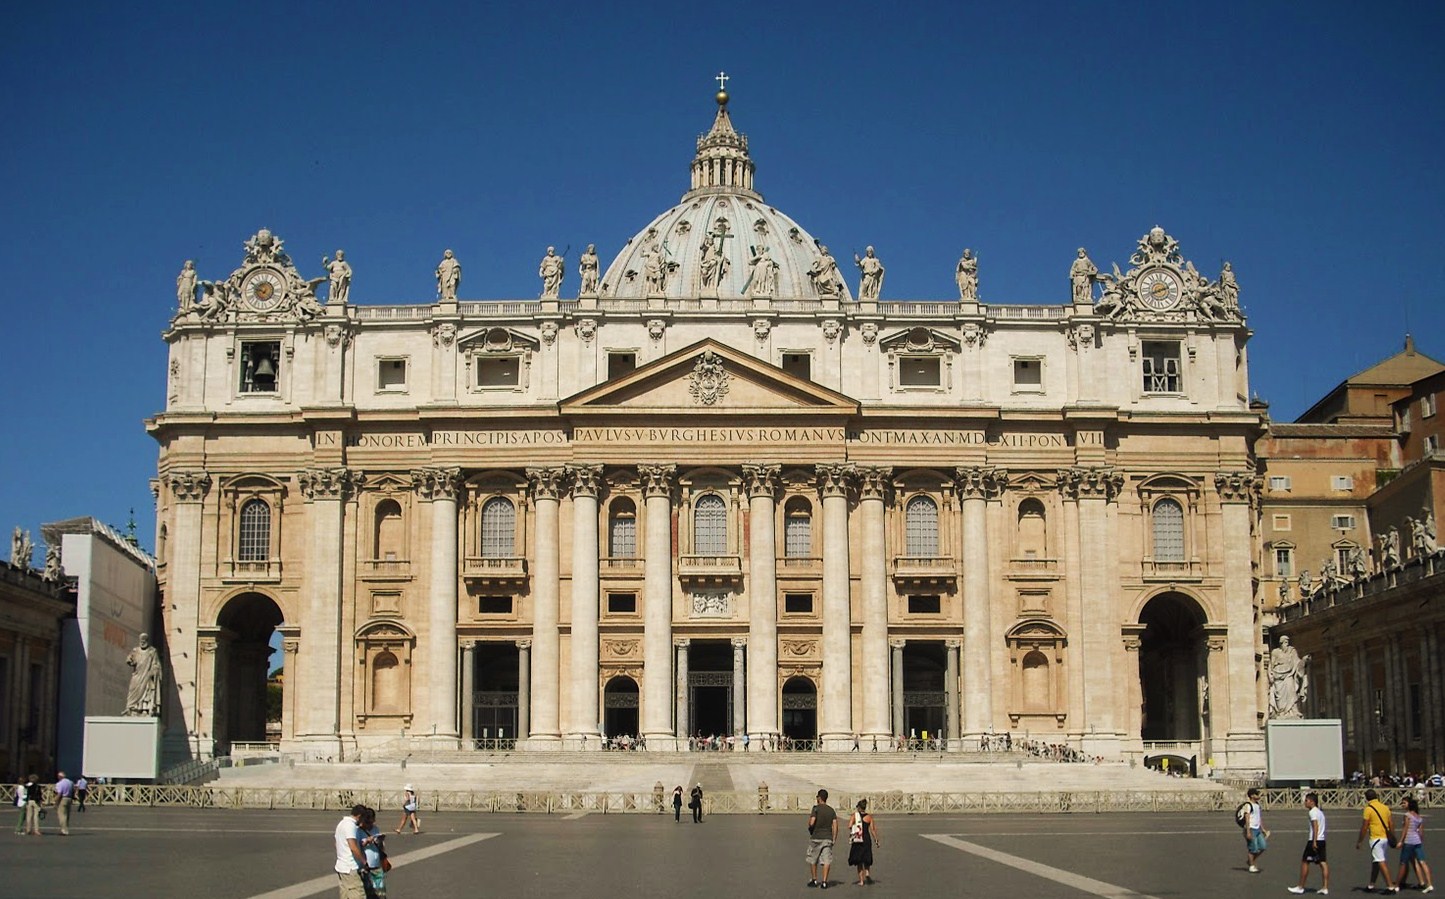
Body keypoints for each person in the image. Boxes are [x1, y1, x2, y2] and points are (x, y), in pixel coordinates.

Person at [1356, 788, 1399, 893]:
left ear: (1367, 798)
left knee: (1380, 861)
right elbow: (1391, 823)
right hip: (1385, 837)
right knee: (1376, 861)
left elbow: (1365, 826)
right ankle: (1371, 885)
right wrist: (1392, 836)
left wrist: (1360, 840)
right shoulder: (1384, 807)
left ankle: (1390, 886)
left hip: (1376, 838)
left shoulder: (1368, 809)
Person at [1288, 792, 1330, 894]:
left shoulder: (1313, 812)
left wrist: (1314, 841)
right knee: (1323, 863)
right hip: (1322, 840)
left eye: (1306, 800)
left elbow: (1315, 826)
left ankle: (1300, 886)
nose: (1304, 802)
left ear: (1312, 802)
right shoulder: (1320, 812)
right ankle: (1325, 887)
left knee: (1305, 862)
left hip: (1314, 840)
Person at [1396, 797, 1434, 893]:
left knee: (1403, 862)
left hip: (1409, 841)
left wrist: (1401, 841)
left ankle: (1397, 884)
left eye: (1404, 803)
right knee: (1422, 862)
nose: (1403, 805)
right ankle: (1428, 884)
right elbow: (1421, 832)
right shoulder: (1419, 817)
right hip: (1417, 842)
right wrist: (1420, 840)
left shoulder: (1407, 815)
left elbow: (1405, 829)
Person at [334, 804, 369, 899]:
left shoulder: (341, 824)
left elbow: (336, 844)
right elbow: (353, 847)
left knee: (345, 895)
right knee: (358, 895)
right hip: (350, 867)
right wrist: (364, 861)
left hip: (341, 866)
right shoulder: (351, 826)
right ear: (359, 816)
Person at [1269, 636, 1308, 719]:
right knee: (1280, 698)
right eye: (1285, 642)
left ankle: (1292, 711)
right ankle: (1281, 712)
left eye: (1287, 642)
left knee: (1292, 693)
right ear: (1281, 643)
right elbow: (1271, 665)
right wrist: (1271, 675)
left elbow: (1297, 663)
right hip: (1278, 677)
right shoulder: (1275, 652)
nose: (1287, 644)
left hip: (1289, 675)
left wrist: (1304, 661)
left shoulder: (1292, 651)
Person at [124, 633, 163, 717]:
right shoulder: (135, 650)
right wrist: (130, 660)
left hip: (146, 676)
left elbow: (156, 664)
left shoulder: (152, 651)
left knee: (146, 691)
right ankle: (131, 708)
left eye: (144, 641)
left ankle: (144, 709)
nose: (142, 643)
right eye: (141, 641)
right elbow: (130, 660)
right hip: (137, 675)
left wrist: (154, 669)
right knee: (132, 690)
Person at [807, 788, 838, 889]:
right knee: (826, 860)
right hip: (827, 838)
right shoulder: (831, 810)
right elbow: (835, 826)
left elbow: (812, 822)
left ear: (819, 798)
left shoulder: (816, 809)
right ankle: (824, 881)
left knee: (813, 859)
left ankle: (814, 879)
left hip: (816, 837)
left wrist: (810, 826)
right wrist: (834, 838)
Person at [847, 798, 881, 886]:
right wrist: (876, 840)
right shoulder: (869, 817)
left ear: (858, 807)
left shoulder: (855, 816)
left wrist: (854, 826)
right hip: (866, 839)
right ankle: (867, 874)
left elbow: (849, 826)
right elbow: (873, 830)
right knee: (866, 858)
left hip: (858, 839)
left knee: (859, 861)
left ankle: (861, 881)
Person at [359, 806, 389, 899]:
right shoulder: (359, 830)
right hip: (366, 868)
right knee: (367, 894)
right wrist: (367, 841)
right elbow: (356, 846)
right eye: (369, 822)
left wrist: (380, 841)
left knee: (381, 894)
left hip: (377, 866)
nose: (371, 824)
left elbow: (382, 847)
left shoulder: (375, 828)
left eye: (373, 821)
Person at [1243, 787, 1268, 872]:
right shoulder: (1248, 805)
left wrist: (1263, 829)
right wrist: (1248, 832)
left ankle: (1251, 861)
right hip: (1251, 829)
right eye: (1257, 794)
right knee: (1253, 848)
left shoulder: (1257, 805)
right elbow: (1247, 818)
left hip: (1257, 829)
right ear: (1252, 795)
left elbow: (1259, 818)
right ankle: (1251, 865)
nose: (1258, 795)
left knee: (1263, 846)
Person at [54, 771, 74, 836]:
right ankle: (66, 829)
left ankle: (64, 830)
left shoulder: (59, 784)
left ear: (59, 777)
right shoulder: (70, 782)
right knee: (67, 815)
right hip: (69, 798)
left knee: (62, 815)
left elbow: (59, 794)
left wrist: (56, 802)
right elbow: (73, 790)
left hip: (63, 799)